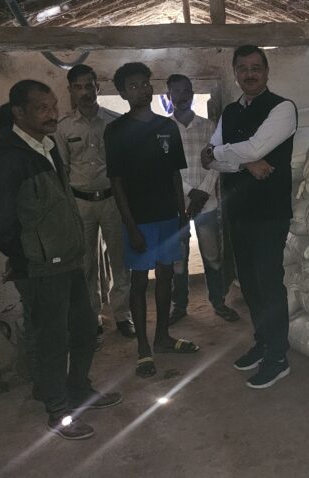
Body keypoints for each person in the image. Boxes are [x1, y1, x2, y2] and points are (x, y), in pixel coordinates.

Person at [0, 79, 121, 441]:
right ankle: (58, 411)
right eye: (42, 108)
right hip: (41, 269)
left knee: (85, 329)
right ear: (19, 112)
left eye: (53, 105)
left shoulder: (46, 145)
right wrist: (28, 256)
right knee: (52, 340)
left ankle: (78, 390)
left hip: (68, 261)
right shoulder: (8, 159)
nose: (52, 113)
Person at [202, 45, 297, 389]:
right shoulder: (229, 112)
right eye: (243, 68)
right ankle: (263, 342)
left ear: (267, 71)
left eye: (256, 67)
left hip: (269, 213)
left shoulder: (282, 108)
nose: (250, 74)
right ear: (235, 73)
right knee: (250, 283)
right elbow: (208, 160)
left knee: (269, 284)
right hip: (237, 210)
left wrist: (225, 154)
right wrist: (244, 163)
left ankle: (278, 356)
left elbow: (253, 147)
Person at [105, 62, 199, 379]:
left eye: (145, 83)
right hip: (139, 220)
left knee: (166, 275)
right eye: (133, 86)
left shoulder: (167, 127)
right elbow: (116, 183)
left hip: (167, 216)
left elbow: (174, 174)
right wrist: (130, 226)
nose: (142, 90)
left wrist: (182, 214)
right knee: (139, 281)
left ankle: (162, 337)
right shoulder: (116, 131)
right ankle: (143, 348)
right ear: (122, 93)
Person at [54, 64, 136, 344]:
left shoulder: (115, 122)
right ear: (70, 90)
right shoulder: (63, 128)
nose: (85, 92)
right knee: (86, 264)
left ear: (98, 87)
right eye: (78, 87)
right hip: (81, 204)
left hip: (113, 200)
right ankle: (93, 318)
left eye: (89, 86)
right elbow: (63, 170)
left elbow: (126, 166)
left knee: (120, 260)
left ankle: (123, 315)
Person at [166, 74, 241, 325]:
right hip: (177, 204)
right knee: (178, 260)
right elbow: (166, 169)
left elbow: (216, 162)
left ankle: (218, 303)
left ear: (192, 93)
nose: (182, 96)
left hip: (206, 204)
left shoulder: (209, 127)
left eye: (186, 90)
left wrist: (203, 192)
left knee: (212, 256)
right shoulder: (164, 129)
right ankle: (179, 305)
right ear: (168, 96)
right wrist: (190, 192)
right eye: (176, 91)